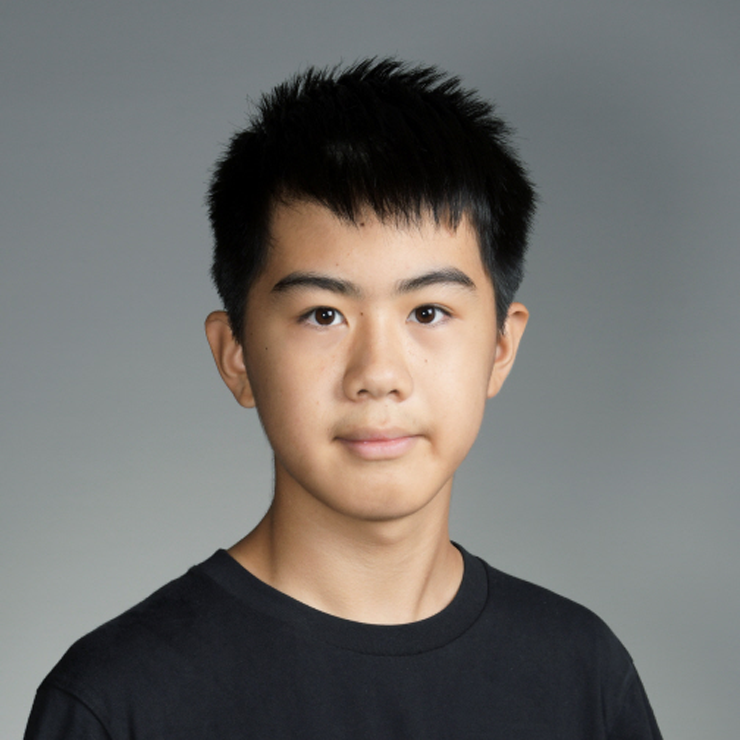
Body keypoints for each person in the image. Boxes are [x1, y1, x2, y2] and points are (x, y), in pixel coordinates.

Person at [24, 58, 662, 739]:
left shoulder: (583, 677)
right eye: (323, 314)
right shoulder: (118, 700)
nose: (378, 373)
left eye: (428, 312)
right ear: (236, 356)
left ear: (500, 348)